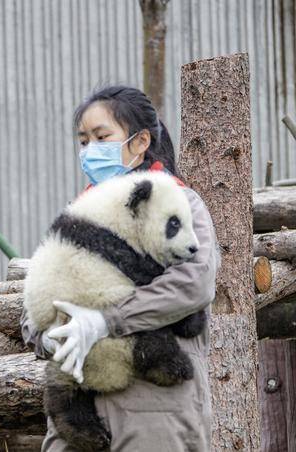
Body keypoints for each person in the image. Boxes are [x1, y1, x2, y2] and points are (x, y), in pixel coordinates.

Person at [21, 86, 220, 451]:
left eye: (101, 137)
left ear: (140, 141)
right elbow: (38, 293)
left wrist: (105, 321)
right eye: (83, 141)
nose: (89, 151)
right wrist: (46, 335)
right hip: (77, 403)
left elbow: (193, 283)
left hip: (153, 405)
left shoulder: (178, 202)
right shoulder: (78, 212)